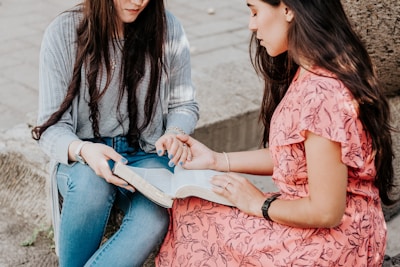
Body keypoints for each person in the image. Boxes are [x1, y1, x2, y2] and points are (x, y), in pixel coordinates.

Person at [156, 0, 398, 266]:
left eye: (255, 11)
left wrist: (259, 204)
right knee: (190, 206)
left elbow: (327, 211)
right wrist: (216, 160)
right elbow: (295, 156)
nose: (251, 25)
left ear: (288, 8)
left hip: (336, 243)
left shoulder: (322, 93)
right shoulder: (309, 70)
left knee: (199, 220)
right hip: (323, 224)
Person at [31, 0, 199, 266]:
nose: (138, 2)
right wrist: (84, 150)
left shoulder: (168, 29)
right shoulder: (63, 32)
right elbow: (51, 127)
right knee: (91, 185)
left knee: (154, 217)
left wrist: (175, 132)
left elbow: (183, 103)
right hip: (84, 157)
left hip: (145, 155)